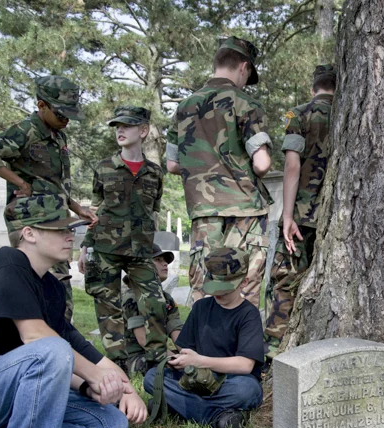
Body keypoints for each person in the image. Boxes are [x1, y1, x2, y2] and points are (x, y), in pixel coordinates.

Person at [0, 195, 145, 428]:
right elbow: (38, 340)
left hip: (6, 397)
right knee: (51, 347)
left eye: (71, 228)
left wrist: (122, 390)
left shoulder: (50, 288)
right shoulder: (6, 263)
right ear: (29, 233)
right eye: (58, 229)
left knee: (111, 425)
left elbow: (91, 358)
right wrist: (92, 378)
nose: (70, 235)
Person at [0, 75, 97, 321]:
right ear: (42, 106)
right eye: (61, 114)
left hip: (57, 219)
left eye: (70, 114)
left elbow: (54, 183)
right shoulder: (24, 131)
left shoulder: (59, 136)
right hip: (31, 222)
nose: (66, 120)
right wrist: (20, 183)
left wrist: (76, 208)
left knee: (59, 287)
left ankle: (59, 340)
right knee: (28, 282)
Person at [165, 36, 272, 305]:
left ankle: (204, 345)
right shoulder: (246, 104)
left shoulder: (183, 107)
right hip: (245, 209)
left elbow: (173, 165)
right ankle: (241, 346)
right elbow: (262, 164)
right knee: (244, 286)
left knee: (204, 284)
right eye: (248, 75)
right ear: (243, 67)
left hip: (204, 211)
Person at [78, 106, 170, 372]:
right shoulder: (105, 167)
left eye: (127, 126)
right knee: (107, 305)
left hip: (140, 250)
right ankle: (117, 362)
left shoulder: (154, 172)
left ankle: (157, 358)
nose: (120, 130)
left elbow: (154, 210)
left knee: (154, 301)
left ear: (143, 131)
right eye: (117, 126)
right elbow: (94, 209)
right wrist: (85, 247)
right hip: (104, 247)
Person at [143, 248, 264, 428]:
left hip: (230, 380)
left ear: (244, 282)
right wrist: (181, 361)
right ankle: (219, 417)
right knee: (152, 378)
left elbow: (245, 365)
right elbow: (185, 347)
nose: (218, 294)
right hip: (196, 379)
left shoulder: (248, 314)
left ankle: (178, 408)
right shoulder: (201, 307)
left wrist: (199, 360)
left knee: (247, 390)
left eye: (225, 289)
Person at [264, 64, 335, 355]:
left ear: (313, 87)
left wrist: (288, 215)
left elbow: (292, 165)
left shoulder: (299, 114)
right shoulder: (353, 114)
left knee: (285, 281)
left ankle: (272, 351)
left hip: (303, 216)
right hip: (335, 218)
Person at [122, 243, 184, 375]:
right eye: (158, 260)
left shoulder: (167, 299)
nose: (165, 264)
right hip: (136, 356)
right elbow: (144, 340)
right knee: (164, 368)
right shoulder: (132, 297)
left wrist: (188, 356)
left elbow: (176, 331)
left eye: (165, 261)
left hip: (158, 352)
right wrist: (175, 359)